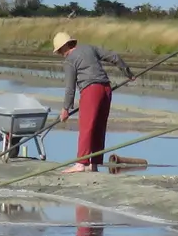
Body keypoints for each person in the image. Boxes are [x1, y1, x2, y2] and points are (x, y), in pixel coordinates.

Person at [54, 32, 132, 174]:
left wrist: (65, 109)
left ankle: (81, 164)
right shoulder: (90, 48)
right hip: (106, 89)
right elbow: (114, 57)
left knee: (86, 127)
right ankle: (94, 164)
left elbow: (70, 88)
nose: (60, 54)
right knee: (98, 127)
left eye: (59, 51)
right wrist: (128, 73)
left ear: (64, 47)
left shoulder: (70, 60)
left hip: (91, 90)